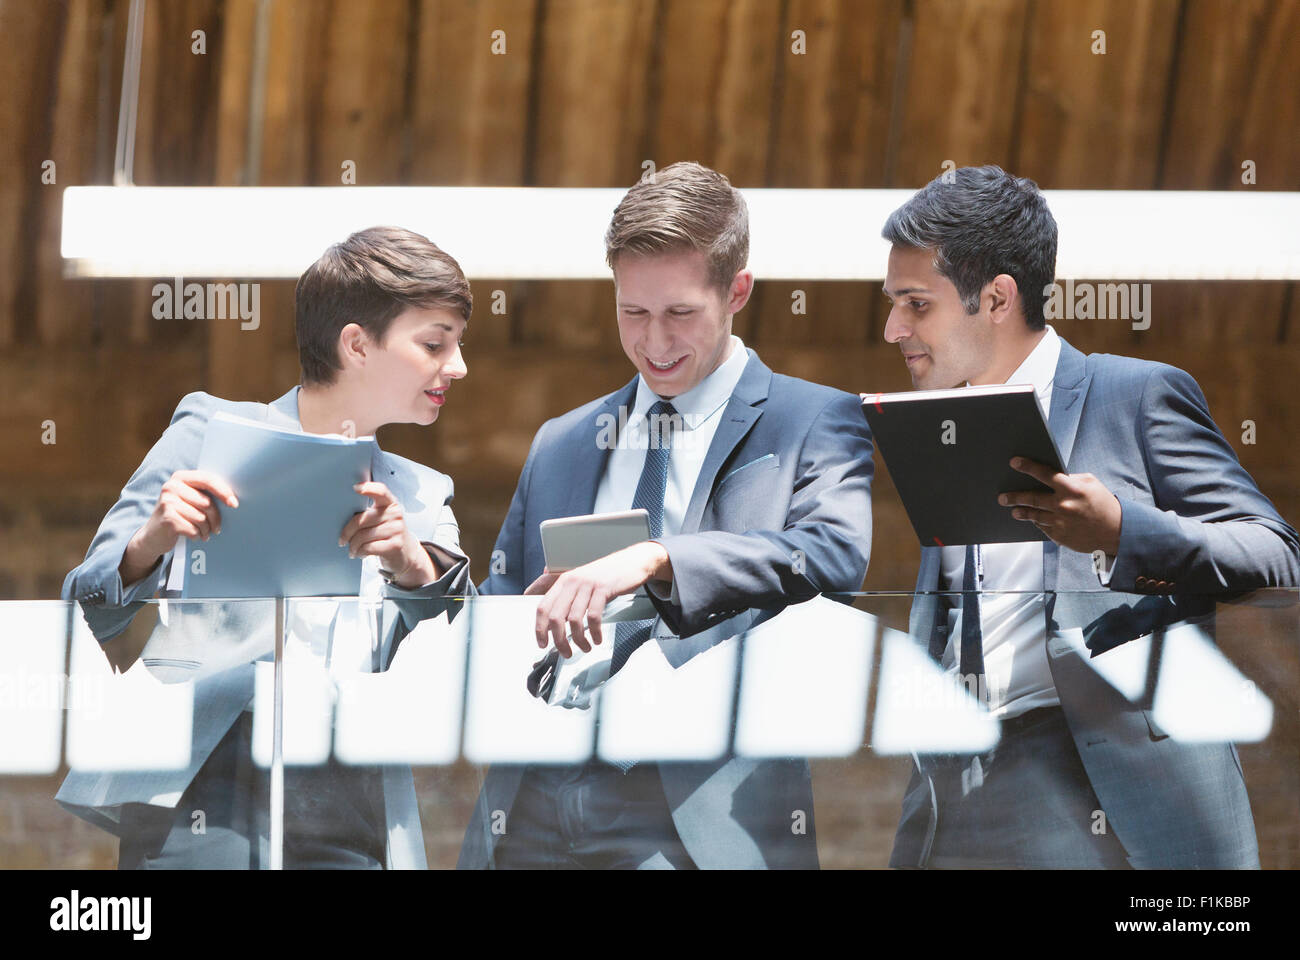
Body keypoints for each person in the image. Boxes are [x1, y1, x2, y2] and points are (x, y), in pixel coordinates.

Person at [879, 165, 1300, 868]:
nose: (894, 328)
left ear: (998, 298)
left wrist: (1119, 532)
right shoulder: (940, 425)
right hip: (952, 791)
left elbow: (1276, 552)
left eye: (916, 304)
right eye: (893, 304)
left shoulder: (1136, 396)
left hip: (1098, 780)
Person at [457, 161, 874, 870]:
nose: (654, 342)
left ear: (737, 291)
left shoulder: (815, 419)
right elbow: (498, 611)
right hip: (531, 806)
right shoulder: (562, 440)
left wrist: (658, 559)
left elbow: (833, 556)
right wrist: (422, 572)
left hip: (694, 814)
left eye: (680, 314)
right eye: (633, 313)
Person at [58, 226, 472, 869]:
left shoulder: (423, 496)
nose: (459, 366)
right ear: (357, 344)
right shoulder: (211, 431)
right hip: (201, 780)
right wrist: (152, 539)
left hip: (348, 792)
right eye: (435, 344)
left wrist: (413, 565)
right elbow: (88, 603)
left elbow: (465, 651)